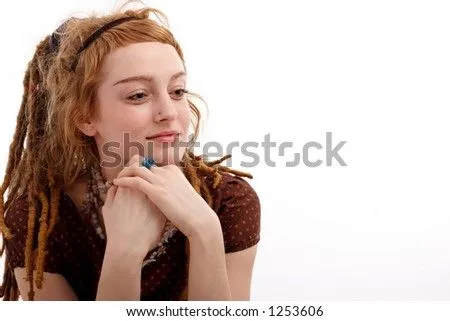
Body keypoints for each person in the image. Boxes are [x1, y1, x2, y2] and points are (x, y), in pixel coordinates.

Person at [0, 3, 260, 301]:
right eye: (138, 95)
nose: (169, 112)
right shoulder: (37, 219)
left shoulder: (229, 201)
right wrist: (124, 253)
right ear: (84, 116)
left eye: (177, 91)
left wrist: (204, 231)